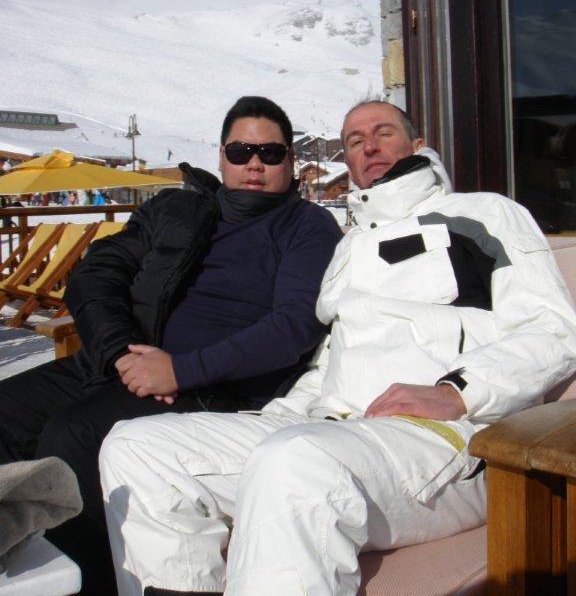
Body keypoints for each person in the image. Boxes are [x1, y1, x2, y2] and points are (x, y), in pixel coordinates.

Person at [100, 100, 576, 596]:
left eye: (383, 133)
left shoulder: (482, 214)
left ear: (417, 144)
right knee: (138, 448)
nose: (369, 146)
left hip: (444, 441)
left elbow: (554, 330)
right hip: (332, 428)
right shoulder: (349, 247)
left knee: (294, 461)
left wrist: (456, 391)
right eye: (354, 140)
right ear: (347, 161)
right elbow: (331, 357)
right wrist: (284, 414)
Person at [0, 95, 342, 596]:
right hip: (118, 362)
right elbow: (97, 273)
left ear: (290, 161)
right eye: (241, 150)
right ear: (221, 155)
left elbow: (293, 326)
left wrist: (181, 370)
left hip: (213, 386)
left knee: (71, 435)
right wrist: (119, 351)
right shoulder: (178, 209)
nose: (254, 164)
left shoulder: (306, 227)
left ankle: (89, 583)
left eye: (270, 153)